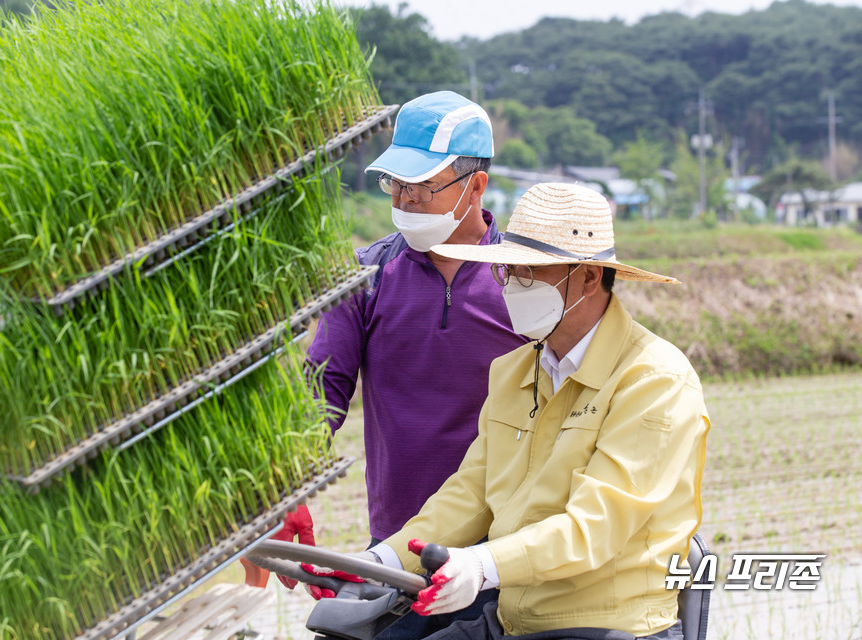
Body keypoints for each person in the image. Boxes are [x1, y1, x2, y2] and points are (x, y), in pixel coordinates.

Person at [358, 182, 711, 639]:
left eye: (532, 270)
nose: (512, 283)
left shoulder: (653, 380)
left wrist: (481, 565)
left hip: (607, 625)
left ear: (588, 277)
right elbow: (471, 493)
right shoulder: (514, 371)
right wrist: (379, 561)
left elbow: (594, 528)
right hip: (514, 619)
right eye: (508, 270)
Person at [291, 91, 529, 637]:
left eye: (423, 186)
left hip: (506, 555)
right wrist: (288, 489)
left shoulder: (523, 281)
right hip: (399, 552)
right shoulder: (367, 276)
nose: (406, 200)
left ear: (476, 186)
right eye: (397, 184)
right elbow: (322, 386)